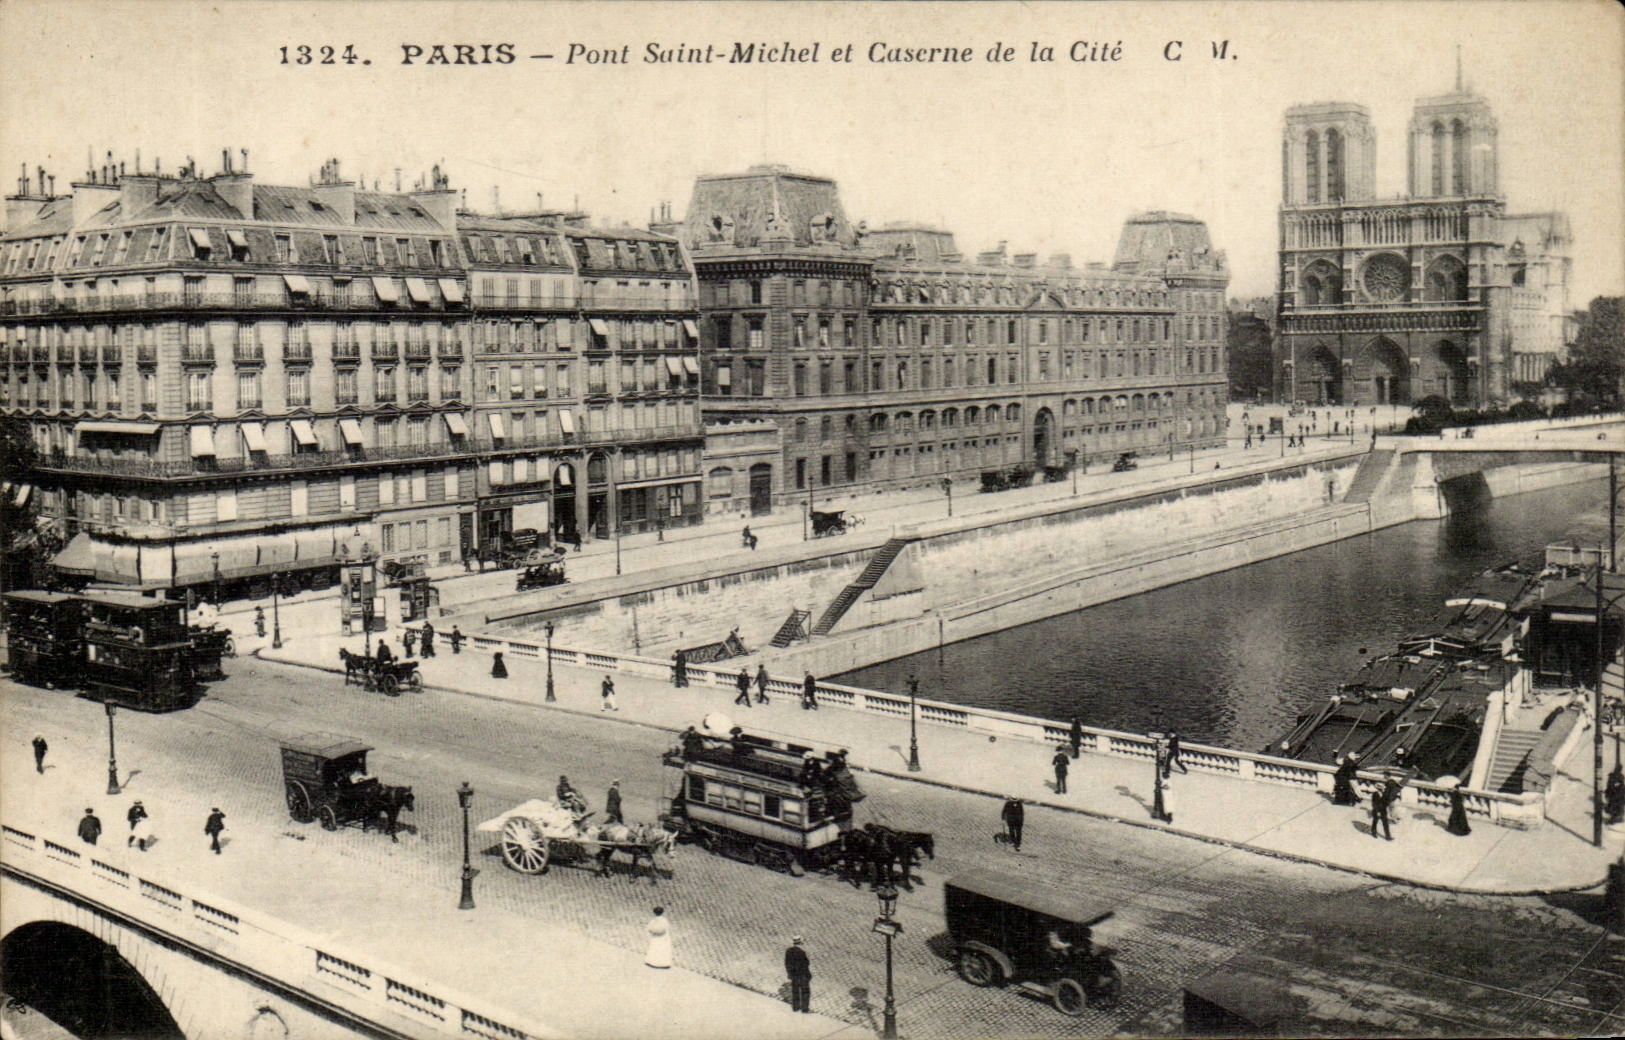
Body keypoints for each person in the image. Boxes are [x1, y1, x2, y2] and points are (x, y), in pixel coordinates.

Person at [784, 936, 812, 1013]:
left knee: (795, 991)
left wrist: (790, 973)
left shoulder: (789, 951)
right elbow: (806, 964)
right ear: (800, 943)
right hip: (803, 975)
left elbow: (787, 963)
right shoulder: (802, 952)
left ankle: (796, 1007)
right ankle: (805, 1009)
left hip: (794, 975)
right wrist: (808, 975)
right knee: (805, 992)